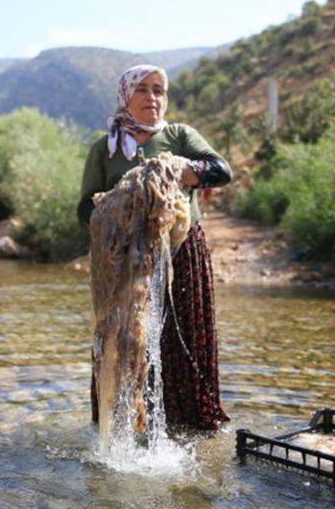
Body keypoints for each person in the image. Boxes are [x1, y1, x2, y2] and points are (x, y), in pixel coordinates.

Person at [77, 64, 232, 431]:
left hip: (180, 254)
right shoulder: (106, 149)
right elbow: (84, 207)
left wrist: (186, 170)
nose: (152, 98)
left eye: (159, 90)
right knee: (124, 340)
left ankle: (191, 424)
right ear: (126, 96)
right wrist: (112, 208)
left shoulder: (178, 136)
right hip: (124, 264)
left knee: (184, 340)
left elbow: (221, 169)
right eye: (143, 89)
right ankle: (126, 423)